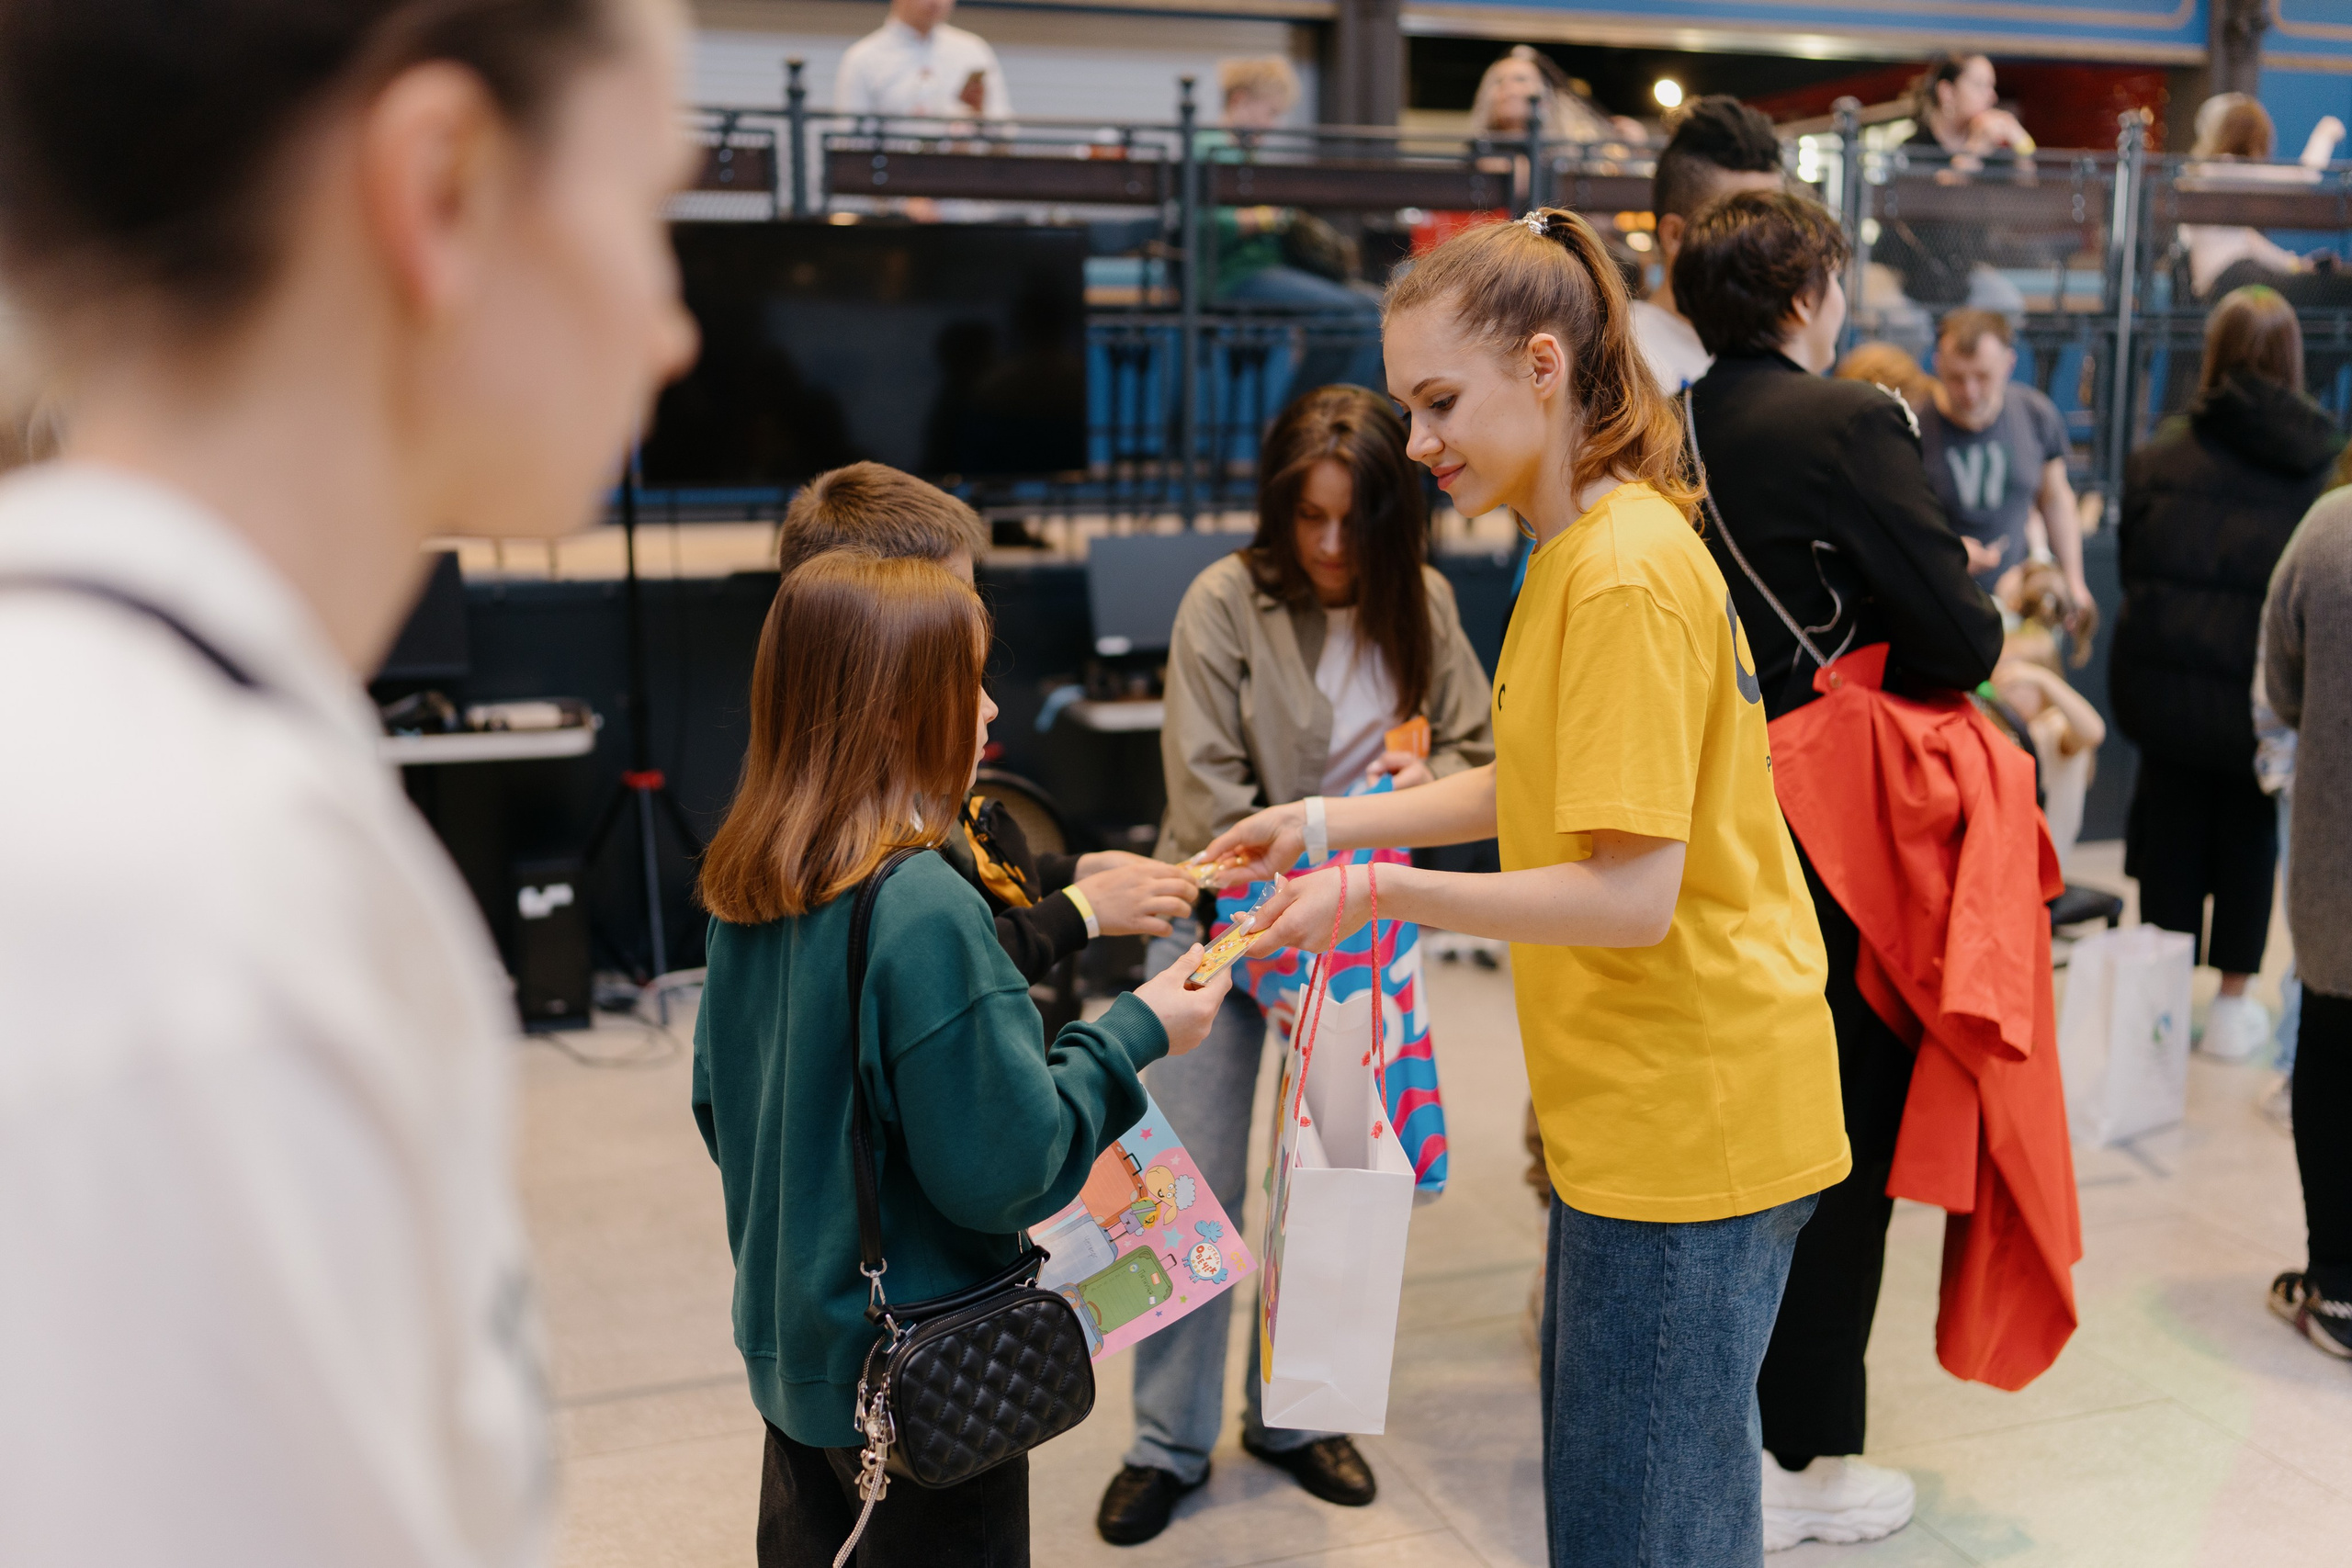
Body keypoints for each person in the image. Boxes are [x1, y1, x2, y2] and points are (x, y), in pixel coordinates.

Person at [0, 0, 697, 1561]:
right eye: (649, 208)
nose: (674, 328)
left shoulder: (155, 785)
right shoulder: (177, 902)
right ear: (441, 185)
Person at [1206, 211, 1850, 1566]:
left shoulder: (1618, 574)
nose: (1420, 440)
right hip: (1649, 1109)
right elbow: (1538, 786)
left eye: (1439, 401)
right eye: (1407, 406)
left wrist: (1380, 889)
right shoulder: (1575, 550)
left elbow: (1628, 893)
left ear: (1545, 364)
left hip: (1691, 1118)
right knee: (1665, 1509)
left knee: (1637, 1527)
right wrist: (1323, 818)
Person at [694, 550, 1231, 1567]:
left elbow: (721, 1112)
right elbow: (1008, 1168)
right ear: (894, 708)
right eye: (967, 682)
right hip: (920, 1380)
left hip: (801, 1363)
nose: (990, 710)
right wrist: (1138, 1030)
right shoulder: (924, 906)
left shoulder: (751, 880)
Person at [1095, 383, 1495, 1546]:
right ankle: (1164, 1441)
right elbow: (1207, 797)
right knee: (1190, 1184)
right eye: (1309, 520)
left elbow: (1478, 749)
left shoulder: (1420, 601)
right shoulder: (1224, 600)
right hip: (1221, 929)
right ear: (1280, 508)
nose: (1328, 547)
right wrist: (1326, 842)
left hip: (1360, 941)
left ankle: (1293, 1415)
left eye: (1351, 523)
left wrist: (1426, 794)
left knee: (1331, 1190)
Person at [1678, 189, 2004, 1551]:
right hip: (1828, 829)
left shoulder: (1660, 427)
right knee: (1841, 1138)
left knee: (1718, 1129)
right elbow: (1963, 630)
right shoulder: (1851, 421)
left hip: (1689, 810)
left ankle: (1708, 1415)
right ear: (1812, 291)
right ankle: (1801, 1449)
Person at [772, 462, 1201, 985]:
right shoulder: (862, 860)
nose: (990, 705)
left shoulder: (868, 795)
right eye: (948, 607)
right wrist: (1082, 914)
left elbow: (970, 872)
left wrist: (1072, 875)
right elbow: (954, 973)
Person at [2111, 286, 2341, 1063]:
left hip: (2167, 696)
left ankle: (2162, 1008)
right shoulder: (2317, 467)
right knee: (2249, 842)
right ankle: (2236, 1006)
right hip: (2257, 698)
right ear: (2291, 359)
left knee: (2169, 836)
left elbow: (2131, 566)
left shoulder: (2157, 454)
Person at [2259, 481, 2352, 1362]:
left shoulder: (2330, 529)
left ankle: (2341, 1288)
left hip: (2342, 855)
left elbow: (2281, 683)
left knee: (2330, 1048)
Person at [1205, 57, 1385, 398]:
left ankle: (1346, 418)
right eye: (1270, 112)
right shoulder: (1209, 149)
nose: (1273, 125)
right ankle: (1317, 416)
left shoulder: (1240, 154)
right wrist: (1267, 218)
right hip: (1234, 276)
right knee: (1360, 317)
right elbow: (1197, 223)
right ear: (1239, 100)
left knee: (1378, 308)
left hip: (1264, 271)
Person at [1919, 310, 2091, 622]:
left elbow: (2054, 499)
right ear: (1937, 365)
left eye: (1982, 377)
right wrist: (1945, 552)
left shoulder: (2036, 414)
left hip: (2019, 602)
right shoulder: (1913, 426)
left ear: (2009, 365)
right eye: (1957, 377)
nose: (1969, 391)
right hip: (1938, 606)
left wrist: (2075, 582)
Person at [1632, 95, 1784, 394]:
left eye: (1776, 222)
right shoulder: (1622, 354)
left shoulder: (1780, 349)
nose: (1770, 244)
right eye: (1740, 224)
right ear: (1675, 235)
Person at [2179, 94, 2348, 300]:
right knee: (2336, 287)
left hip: (2234, 277)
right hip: (2231, 279)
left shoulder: (2213, 172)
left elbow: (2249, 240)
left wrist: (2297, 266)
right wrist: (2326, 133)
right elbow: (2303, 177)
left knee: (2325, 284)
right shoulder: (2226, 167)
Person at [832, 0, 1010, 121]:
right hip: (892, 173)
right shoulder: (863, 58)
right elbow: (849, 144)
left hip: (962, 173)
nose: (936, 2)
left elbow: (1007, 136)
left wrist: (980, 117)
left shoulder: (973, 51)